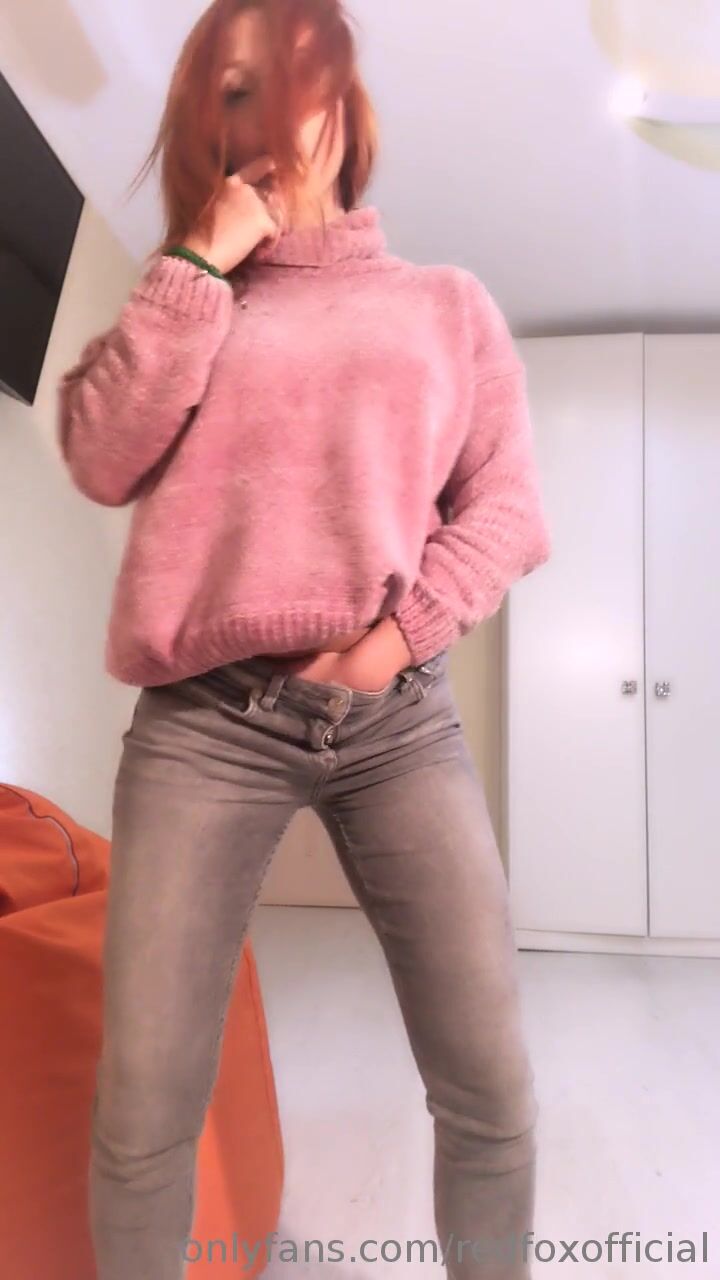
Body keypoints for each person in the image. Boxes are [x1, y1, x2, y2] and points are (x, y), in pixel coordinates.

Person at [57, 1, 552, 1277]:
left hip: (400, 721)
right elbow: (99, 456)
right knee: (142, 1110)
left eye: (295, 83)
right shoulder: (185, 300)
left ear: (345, 106)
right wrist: (197, 263)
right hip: (205, 727)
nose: (270, 116)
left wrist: (397, 639)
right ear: (205, 124)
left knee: (491, 1087)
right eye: (235, 91)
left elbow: (507, 510)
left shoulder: (446, 306)